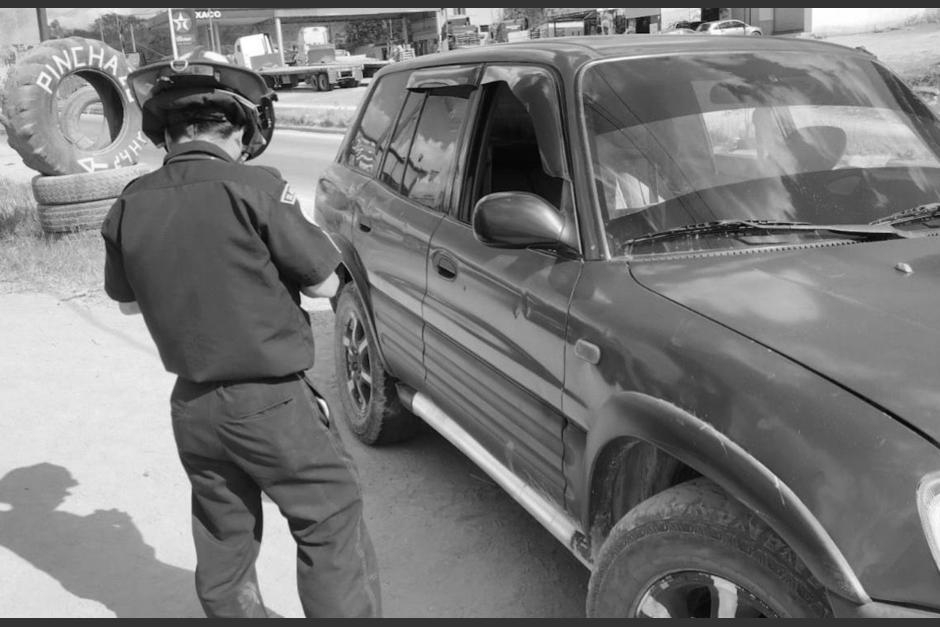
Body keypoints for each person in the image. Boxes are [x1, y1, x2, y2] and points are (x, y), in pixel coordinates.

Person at [100, 50, 381, 618]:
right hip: (270, 403)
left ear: (170, 133)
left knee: (223, 533)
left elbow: (129, 306)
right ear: (239, 128)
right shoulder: (256, 187)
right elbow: (327, 285)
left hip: (192, 407)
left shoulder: (130, 201)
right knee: (328, 521)